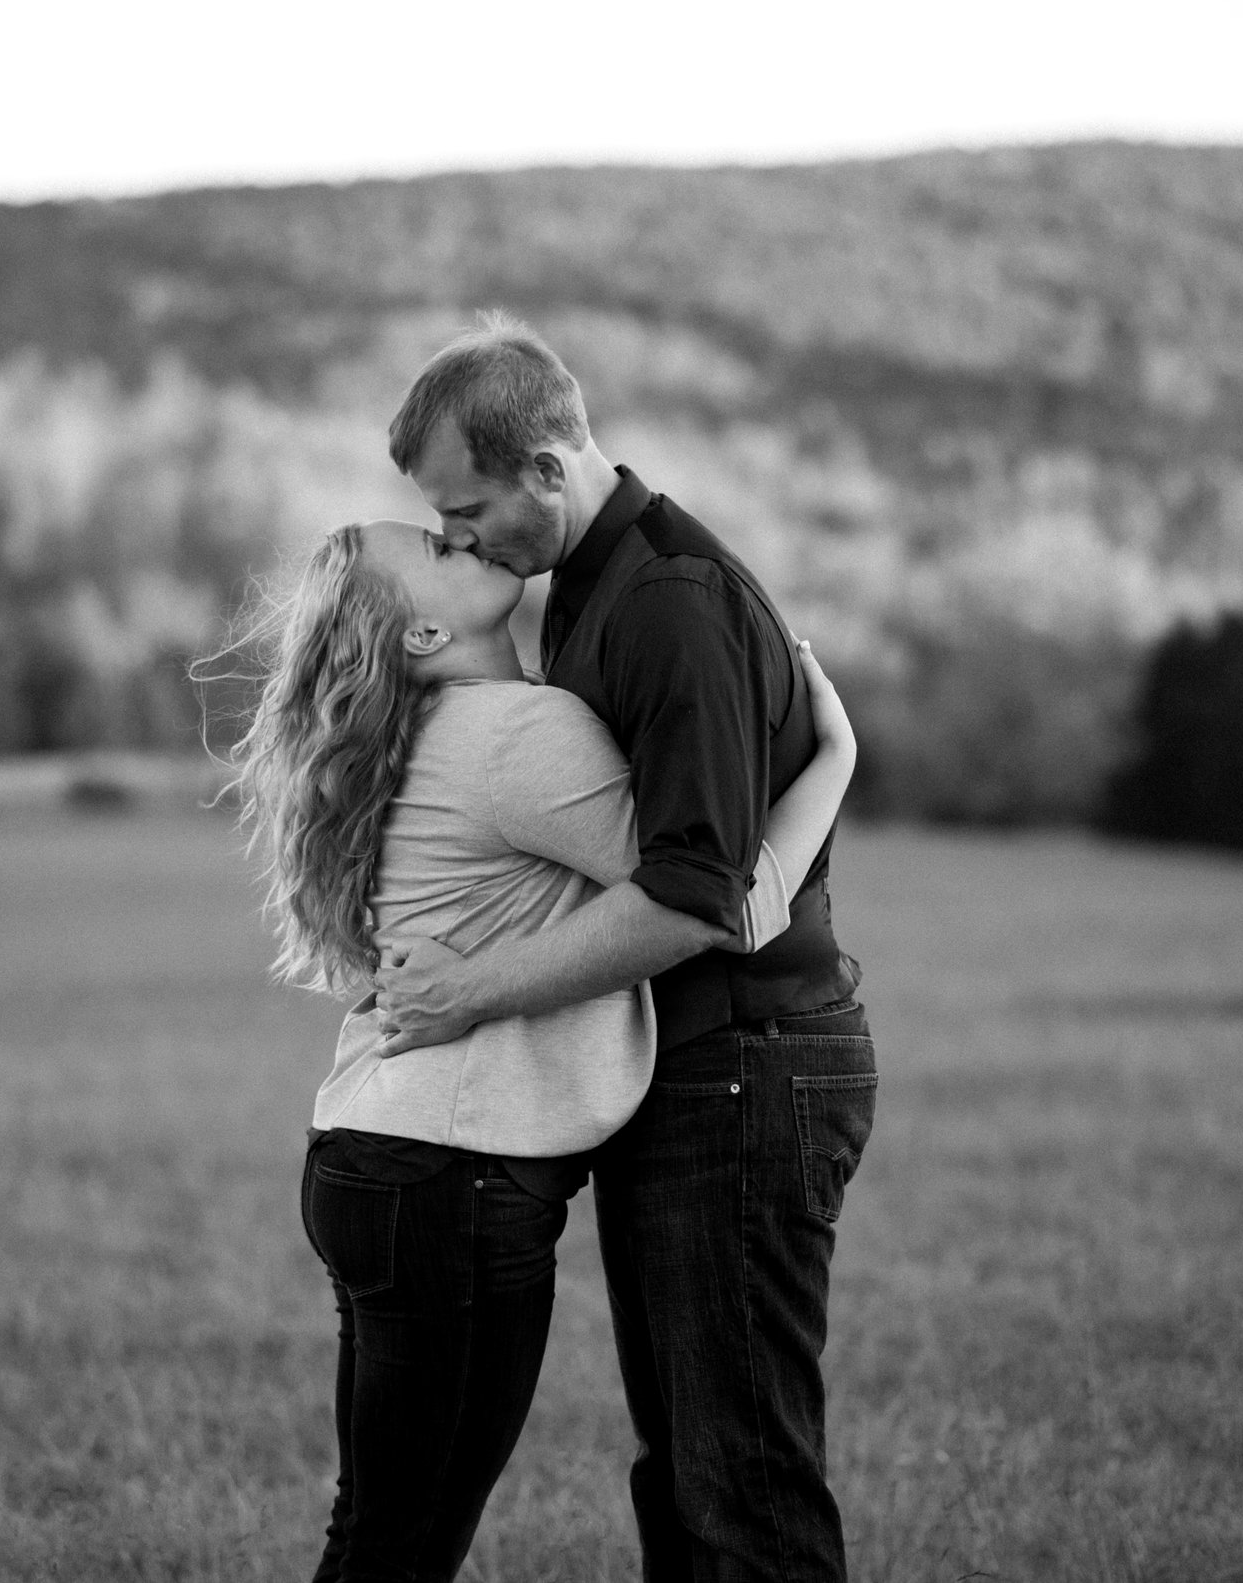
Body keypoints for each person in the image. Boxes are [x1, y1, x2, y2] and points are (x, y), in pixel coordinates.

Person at [214, 517, 857, 1581]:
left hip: (374, 1158)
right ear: (419, 629)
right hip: (448, 1180)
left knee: (378, 1531)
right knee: (397, 1546)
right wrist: (835, 755)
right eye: (440, 549)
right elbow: (726, 904)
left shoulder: (423, 737)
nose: (467, 539)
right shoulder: (517, 734)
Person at [373, 319, 876, 1582]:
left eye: (470, 507)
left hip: (750, 1071)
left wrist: (464, 994)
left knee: (742, 1491)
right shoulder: (585, 588)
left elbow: (702, 897)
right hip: (693, 1074)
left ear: (549, 464)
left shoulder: (665, 604)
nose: (462, 539)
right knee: (687, 1479)